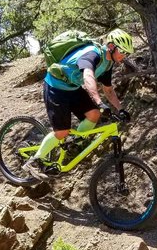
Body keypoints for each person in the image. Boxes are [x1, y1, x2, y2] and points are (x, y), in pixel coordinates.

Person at [22, 28, 134, 180]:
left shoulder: (108, 64)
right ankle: (34, 161)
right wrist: (99, 101)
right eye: (122, 51)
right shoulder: (92, 53)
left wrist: (121, 109)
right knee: (62, 131)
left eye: (126, 53)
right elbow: (88, 75)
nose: (124, 56)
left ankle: (73, 146)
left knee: (93, 114)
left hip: (72, 88)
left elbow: (108, 90)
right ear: (111, 46)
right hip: (56, 86)